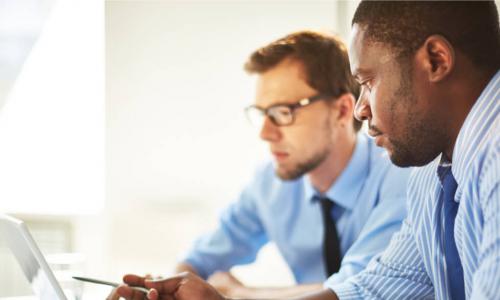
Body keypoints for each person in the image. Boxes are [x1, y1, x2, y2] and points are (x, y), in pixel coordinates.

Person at [113, 1, 499, 299]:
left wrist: (241, 293)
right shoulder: (432, 174)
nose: (362, 109)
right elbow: (373, 289)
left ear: (436, 60)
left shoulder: (488, 159)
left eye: (368, 81)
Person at [109, 30, 410, 300]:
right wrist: (161, 290)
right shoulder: (271, 182)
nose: (265, 133)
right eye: (261, 113)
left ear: (343, 111)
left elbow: (358, 289)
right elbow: (198, 260)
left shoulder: (399, 176)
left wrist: (241, 294)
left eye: (282, 112)